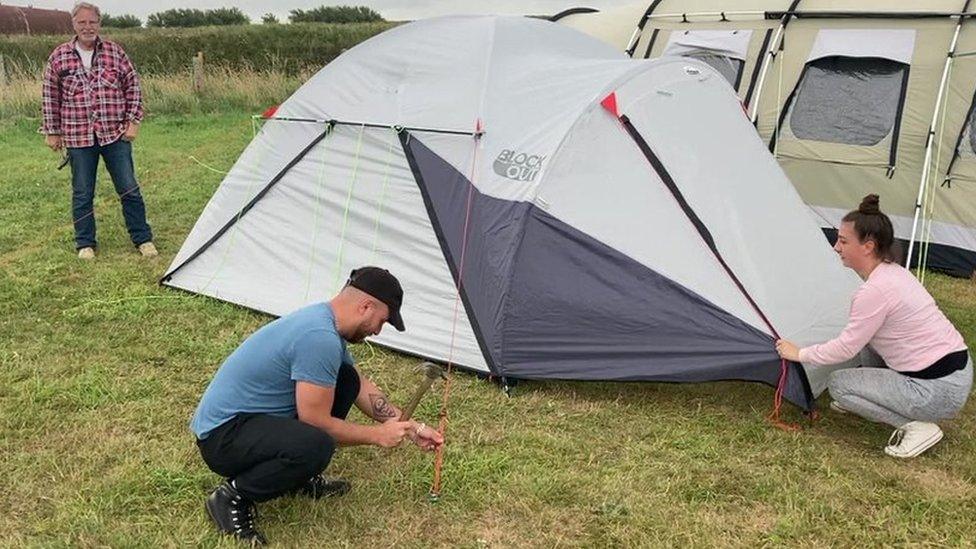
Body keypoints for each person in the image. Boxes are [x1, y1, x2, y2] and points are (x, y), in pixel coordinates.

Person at [190, 267, 443, 545]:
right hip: (223, 438)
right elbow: (316, 423)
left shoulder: (324, 323)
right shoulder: (318, 337)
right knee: (317, 443)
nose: (377, 331)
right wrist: (377, 436)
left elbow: (360, 386)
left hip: (247, 423)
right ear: (366, 306)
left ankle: (297, 476)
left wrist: (410, 427)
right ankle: (233, 497)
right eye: (381, 321)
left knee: (345, 379)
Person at [776, 194, 971, 459]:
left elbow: (846, 348)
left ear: (867, 246)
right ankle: (874, 394)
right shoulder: (895, 272)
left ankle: (915, 425)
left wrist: (798, 354)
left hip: (934, 391)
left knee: (839, 386)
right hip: (955, 373)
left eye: (843, 241)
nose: (836, 247)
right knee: (868, 341)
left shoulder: (876, 291)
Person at [41, 2, 157, 260]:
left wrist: (133, 121)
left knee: (129, 188)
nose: (87, 27)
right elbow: (50, 95)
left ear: (99, 23)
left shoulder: (115, 53)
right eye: (82, 22)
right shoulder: (59, 56)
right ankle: (85, 243)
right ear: (74, 24)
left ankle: (143, 238)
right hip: (78, 136)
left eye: (92, 22)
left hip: (115, 134)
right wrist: (52, 131)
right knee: (82, 192)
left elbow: (133, 87)